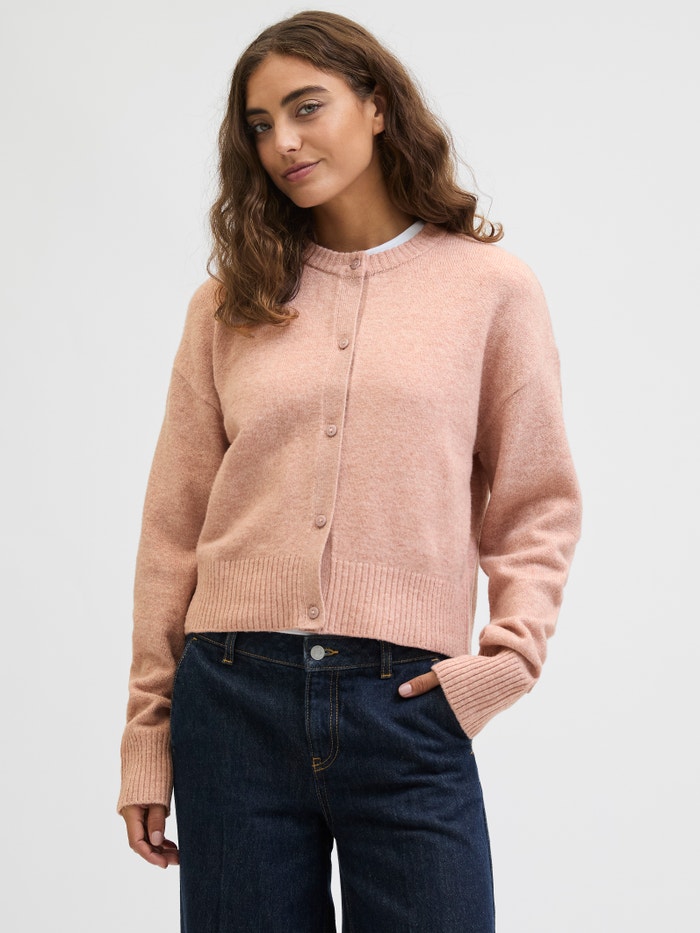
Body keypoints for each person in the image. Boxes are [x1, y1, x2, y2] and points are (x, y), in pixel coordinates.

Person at [117, 9, 582, 932]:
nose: (283, 142)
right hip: (232, 700)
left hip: (406, 704)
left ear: (376, 105)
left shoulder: (491, 288)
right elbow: (173, 527)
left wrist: (507, 661)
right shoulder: (228, 304)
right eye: (260, 125)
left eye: (306, 107)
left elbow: (538, 502)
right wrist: (147, 737)